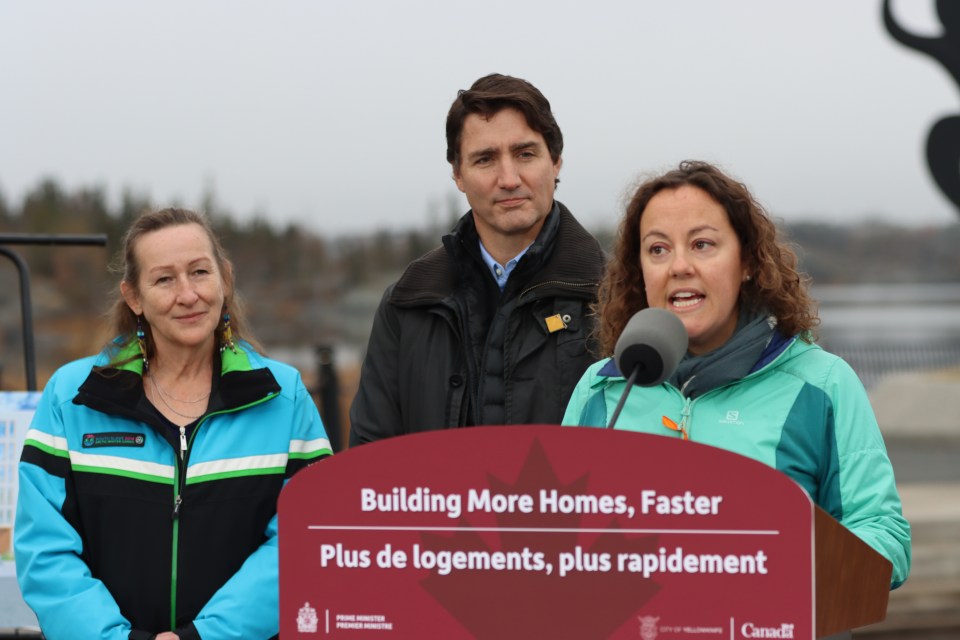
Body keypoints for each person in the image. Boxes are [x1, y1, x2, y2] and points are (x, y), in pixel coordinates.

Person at [562, 161, 911, 588]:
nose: (679, 266)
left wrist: (772, 560)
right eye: (658, 249)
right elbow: (556, 533)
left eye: (702, 244)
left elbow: (885, 540)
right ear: (640, 270)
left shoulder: (823, 384)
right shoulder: (601, 387)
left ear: (746, 261)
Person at [15, 208, 331, 639]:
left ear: (225, 279)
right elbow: (45, 549)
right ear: (134, 297)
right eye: (164, 279)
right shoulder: (71, 397)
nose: (187, 294)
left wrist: (204, 636)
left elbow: (305, 536)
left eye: (200, 272)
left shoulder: (284, 398)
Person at [349, 73, 605, 444]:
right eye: (485, 159)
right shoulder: (408, 303)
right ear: (458, 175)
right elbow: (370, 458)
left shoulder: (614, 294)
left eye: (525, 154)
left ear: (556, 162)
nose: (509, 178)